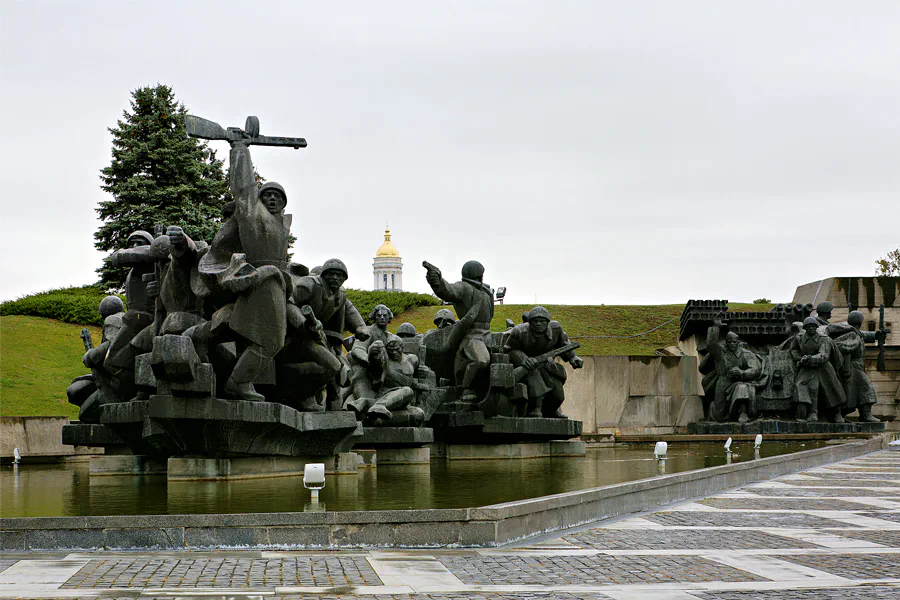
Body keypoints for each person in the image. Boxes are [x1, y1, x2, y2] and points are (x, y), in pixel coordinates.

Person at [193, 137, 293, 402]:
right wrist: (240, 149)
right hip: (261, 281)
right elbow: (244, 189)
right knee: (269, 340)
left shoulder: (279, 224)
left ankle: (203, 344)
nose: (272, 199)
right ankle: (238, 383)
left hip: (277, 283)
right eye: (267, 195)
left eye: (278, 196)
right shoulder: (254, 217)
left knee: (267, 337)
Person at [283, 258, 367, 410]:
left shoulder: (340, 294)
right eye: (331, 274)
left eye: (339, 275)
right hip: (296, 337)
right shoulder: (309, 284)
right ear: (323, 275)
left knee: (337, 370)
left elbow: (347, 315)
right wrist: (303, 324)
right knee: (331, 366)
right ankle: (302, 396)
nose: (335, 278)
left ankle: (330, 408)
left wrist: (360, 327)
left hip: (319, 338)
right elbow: (289, 302)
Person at [425, 260, 494, 402]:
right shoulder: (464, 288)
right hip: (472, 336)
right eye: (481, 273)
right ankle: (464, 388)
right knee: (481, 360)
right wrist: (437, 282)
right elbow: (448, 290)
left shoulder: (486, 293)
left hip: (487, 335)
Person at [504, 306, 582, 418]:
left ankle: (552, 411)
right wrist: (525, 360)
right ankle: (534, 410)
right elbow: (509, 349)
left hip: (548, 365)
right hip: (529, 366)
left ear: (547, 322)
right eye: (535, 321)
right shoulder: (519, 331)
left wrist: (573, 358)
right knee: (536, 384)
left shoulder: (556, 329)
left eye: (542, 321)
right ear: (530, 322)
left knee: (558, 396)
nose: (539, 324)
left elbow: (565, 345)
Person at [706, 318, 764, 423]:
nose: (732, 344)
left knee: (742, 388)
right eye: (729, 342)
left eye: (734, 342)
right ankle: (713, 407)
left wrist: (742, 373)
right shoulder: (720, 352)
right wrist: (715, 327)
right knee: (719, 417)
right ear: (726, 342)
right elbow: (710, 345)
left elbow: (756, 370)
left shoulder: (746, 353)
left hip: (739, 381)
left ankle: (743, 413)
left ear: (738, 341)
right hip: (723, 382)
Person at [828, 311, 881, 423]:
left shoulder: (856, 333)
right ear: (860, 322)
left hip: (857, 366)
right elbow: (847, 350)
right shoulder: (852, 335)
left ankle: (846, 414)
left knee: (851, 392)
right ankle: (865, 414)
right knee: (867, 388)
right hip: (853, 367)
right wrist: (846, 370)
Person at [790, 316, 846, 422]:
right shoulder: (799, 337)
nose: (811, 328)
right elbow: (794, 350)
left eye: (813, 326)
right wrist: (800, 358)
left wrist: (810, 358)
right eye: (808, 326)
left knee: (833, 389)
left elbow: (824, 355)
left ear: (816, 327)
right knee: (806, 387)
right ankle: (811, 413)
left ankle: (837, 413)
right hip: (807, 367)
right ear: (805, 328)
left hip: (823, 367)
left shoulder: (824, 339)